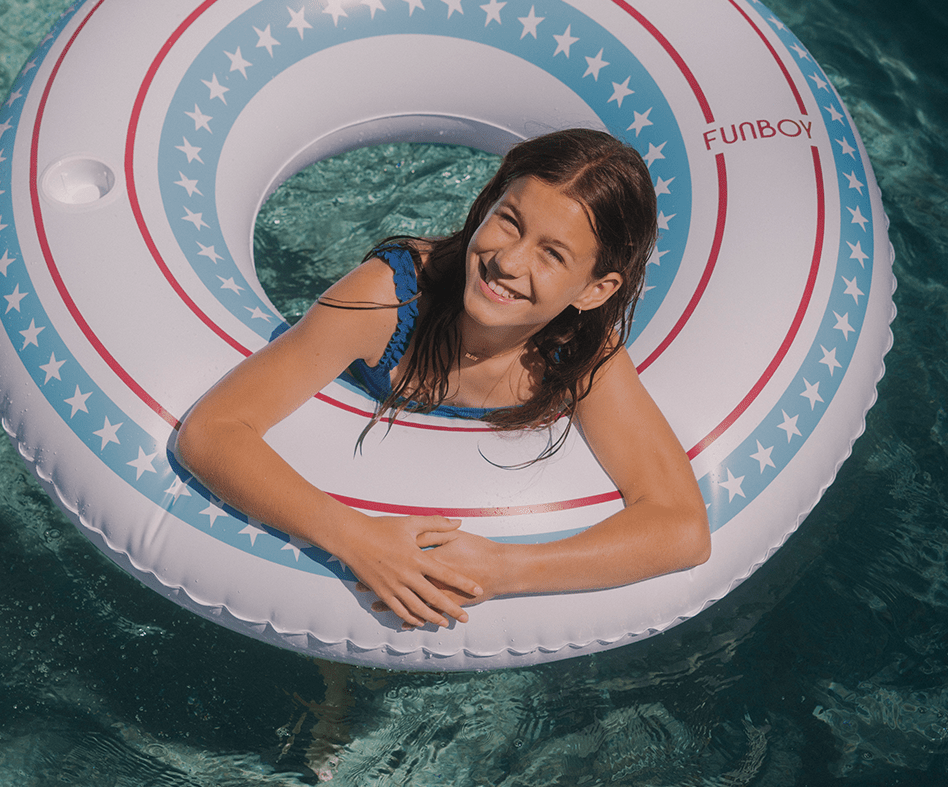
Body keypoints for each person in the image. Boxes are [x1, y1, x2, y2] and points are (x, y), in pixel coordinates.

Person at [176, 128, 710, 631]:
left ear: (595, 290)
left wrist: (506, 568)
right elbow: (211, 431)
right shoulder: (388, 298)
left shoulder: (578, 356)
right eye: (510, 221)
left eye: (552, 254)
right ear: (487, 204)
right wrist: (356, 537)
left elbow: (681, 527)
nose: (508, 261)